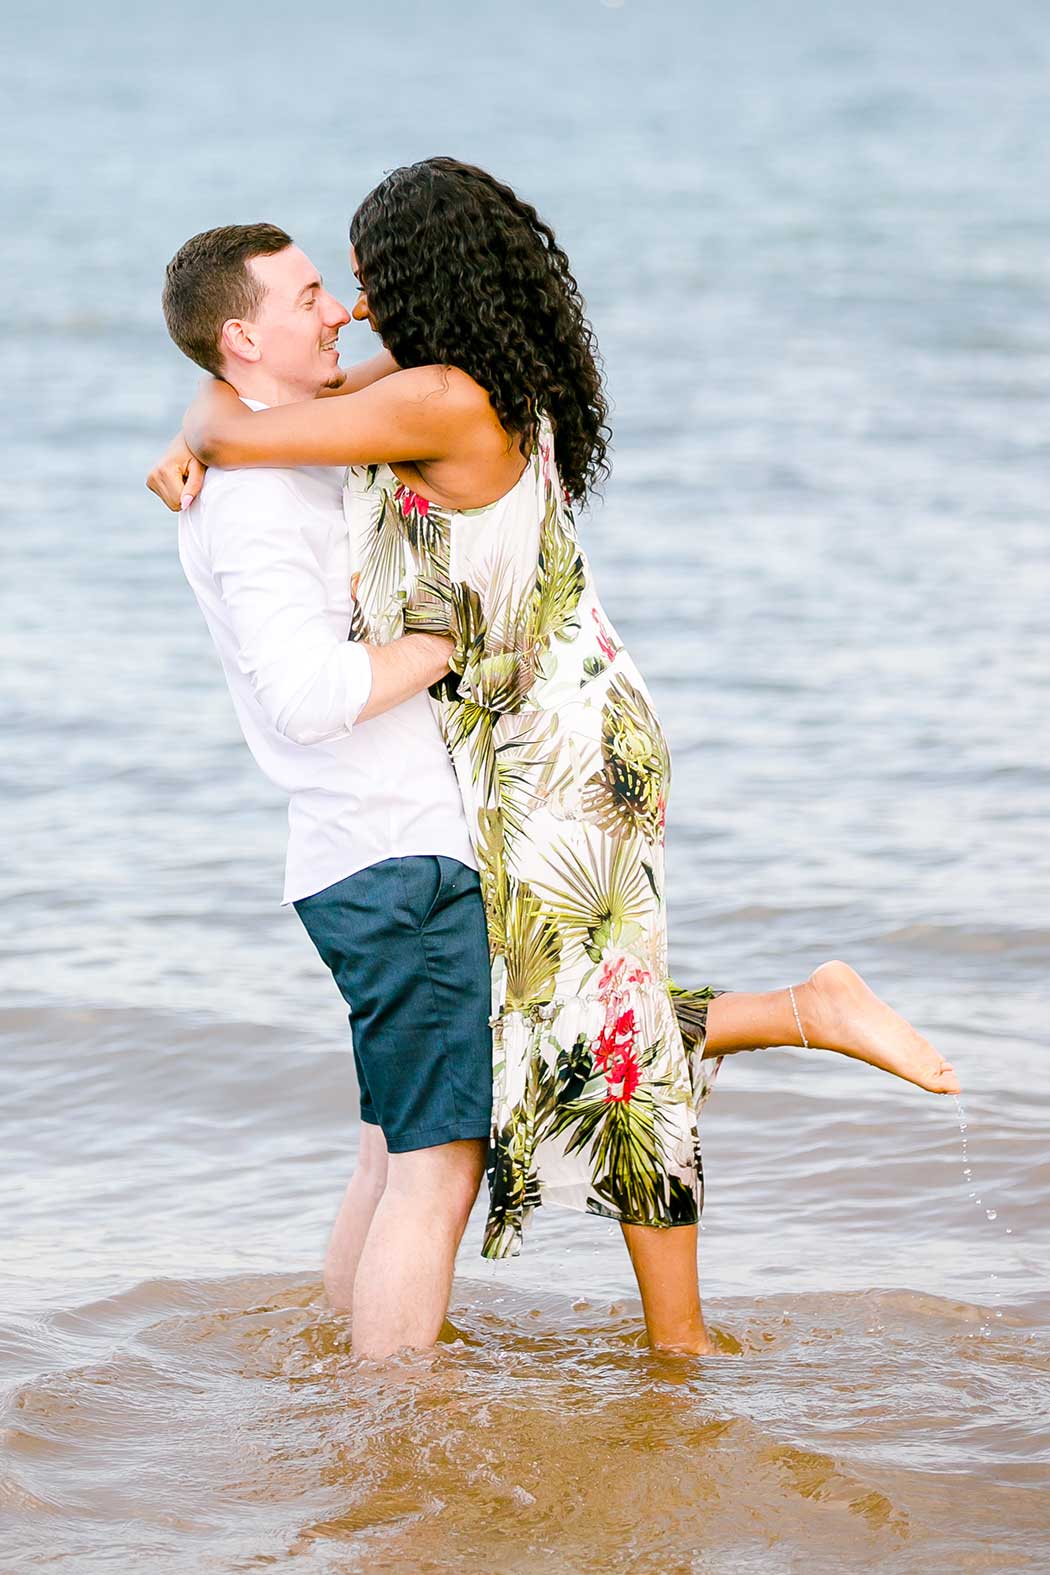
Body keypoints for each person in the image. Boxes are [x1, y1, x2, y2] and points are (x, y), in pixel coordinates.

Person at [151, 174, 959, 1358]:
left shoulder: (433, 396)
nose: (354, 304)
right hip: (540, 739)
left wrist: (195, 434)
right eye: (328, 286)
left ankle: (685, 1315)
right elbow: (257, 426)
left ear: (424, 275)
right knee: (567, 1028)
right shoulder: (445, 383)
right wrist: (205, 429)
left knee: (588, 1032)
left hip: (560, 749)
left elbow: (238, 427)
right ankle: (800, 1019)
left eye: (363, 274)